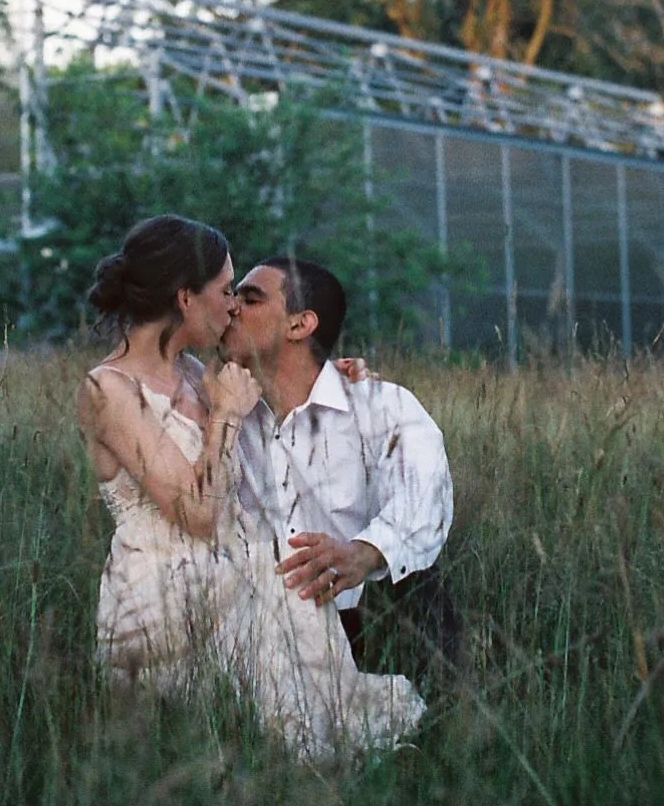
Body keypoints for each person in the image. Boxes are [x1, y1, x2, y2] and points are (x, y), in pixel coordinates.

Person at [77, 215, 426, 760]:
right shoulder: (109, 389)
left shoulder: (194, 371)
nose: (232, 306)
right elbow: (197, 514)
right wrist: (226, 415)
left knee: (305, 649)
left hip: (235, 578)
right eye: (224, 291)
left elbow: (282, 397)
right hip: (165, 602)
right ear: (186, 298)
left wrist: (334, 376)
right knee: (271, 713)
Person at [220, 257, 454, 669]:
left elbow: (426, 493)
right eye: (231, 295)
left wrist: (364, 553)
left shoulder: (379, 405)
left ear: (300, 325)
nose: (231, 307)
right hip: (259, 634)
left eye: (251, 299)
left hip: (368, 619)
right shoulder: (224, 412)